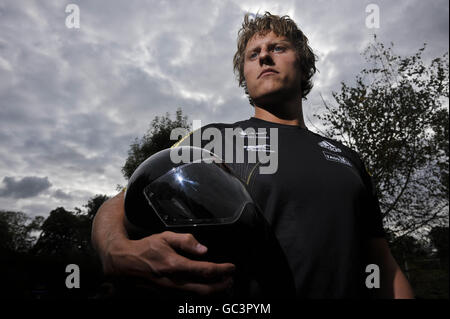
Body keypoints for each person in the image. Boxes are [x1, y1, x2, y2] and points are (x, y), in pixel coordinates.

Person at [91, 12, 414, 299]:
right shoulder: (213, 139)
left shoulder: (349, 160)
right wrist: (114, 250)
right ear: (244, 76)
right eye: (253, 54)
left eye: (277, 48)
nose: (264, 58)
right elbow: (118, 205)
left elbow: (385, 268)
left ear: (302, 65)